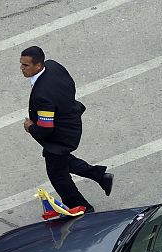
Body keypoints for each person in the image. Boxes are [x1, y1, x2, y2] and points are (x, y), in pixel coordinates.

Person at [20, 45, 113, 213]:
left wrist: (31, 127)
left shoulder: (42, 95)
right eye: (22, 64)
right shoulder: (53, 66)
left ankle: (83, 208)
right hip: (71, 122)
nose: (21, 69)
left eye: (25, 65)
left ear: (38, 66)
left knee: (58, 176)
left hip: (60, 136)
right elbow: (70, 84)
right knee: (61, 162)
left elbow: (46, 128)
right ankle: (100, 176)